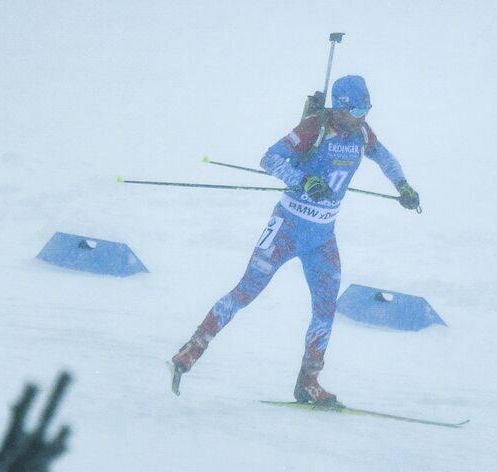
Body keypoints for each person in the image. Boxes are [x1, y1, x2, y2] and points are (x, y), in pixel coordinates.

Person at [169, 74, 420, 405]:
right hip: (287, 229)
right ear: (341, 107)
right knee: (245, 292)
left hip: (322, 238)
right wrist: (305, 181)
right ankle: (192, 350)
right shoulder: (315, 128)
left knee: (325, 309)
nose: (363, 115)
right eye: (357, 108)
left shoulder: (361, 132)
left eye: (367, 108)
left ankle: (308, 381)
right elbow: (270, 158)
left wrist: (402, 185)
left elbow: (385, 157)